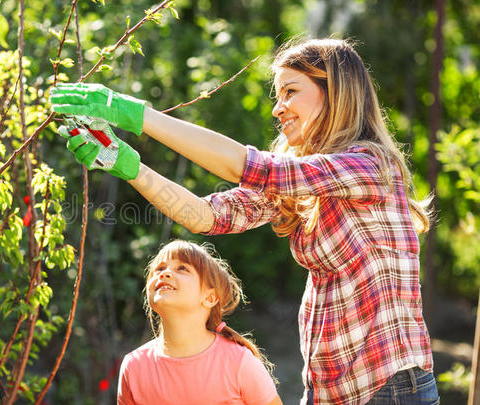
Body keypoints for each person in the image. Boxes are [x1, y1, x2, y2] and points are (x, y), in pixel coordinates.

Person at [49, 38, 439, 405]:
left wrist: (136, 114)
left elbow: (253, 167)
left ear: (334, 93)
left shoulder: (369, 165)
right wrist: (128, 164)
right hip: (329, 390)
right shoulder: (301, 182)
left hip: (389, 386)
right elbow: (207, 216)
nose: (277, 107)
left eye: (290, 91)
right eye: (277, 94)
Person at [117, 240, 283, 405]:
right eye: (159, 268)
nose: (164, 273)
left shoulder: (239, 362)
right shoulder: (133, 366)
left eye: (182, 268)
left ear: (210, 297)